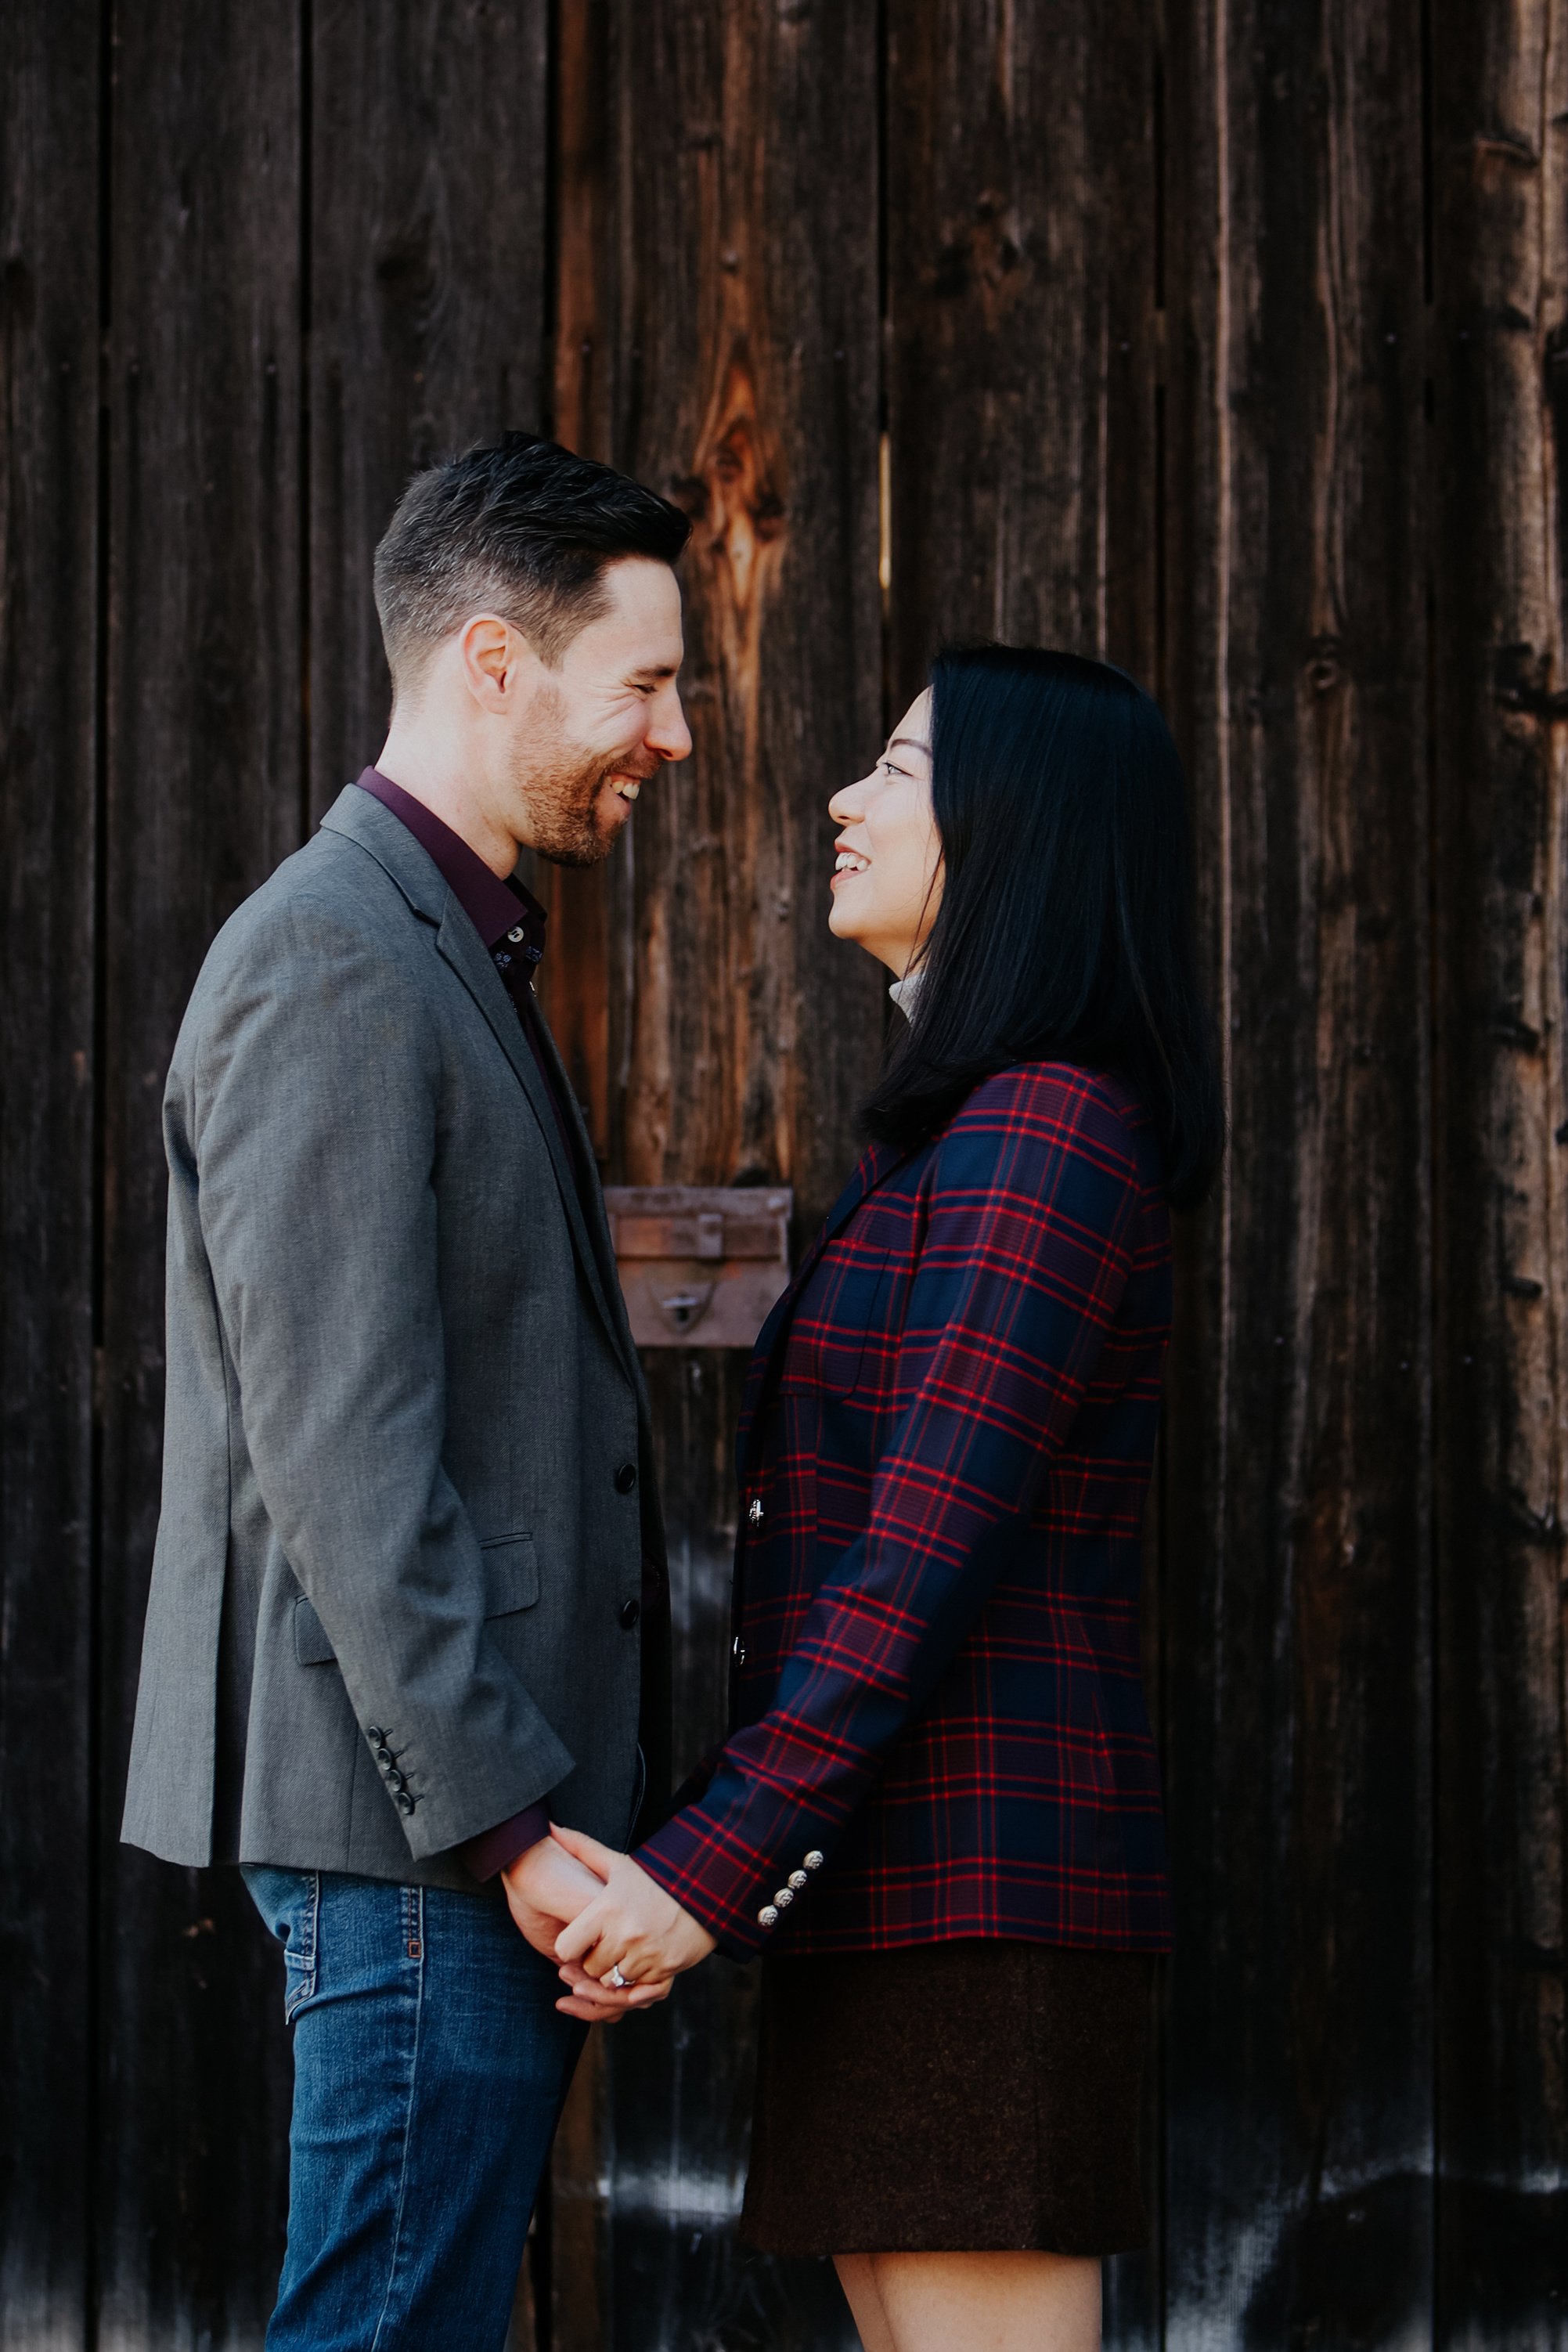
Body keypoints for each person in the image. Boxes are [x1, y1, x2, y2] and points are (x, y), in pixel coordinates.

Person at [544, 645, 1224, 2352]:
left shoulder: (1050, 1129)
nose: (844, 801)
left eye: (901, 770)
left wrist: (701, 1869)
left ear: (1019, 830)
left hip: (983, 1907)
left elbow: (913, 1557)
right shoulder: (956, 1137)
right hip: (889, 1891)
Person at [121, 431, 692, 2350]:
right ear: (494, 664)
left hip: (450, 1840)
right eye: (649, 682)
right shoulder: (335, 959)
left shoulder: (446, 938)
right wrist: (518, 1829)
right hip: (426, 1845)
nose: (673, 735)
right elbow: (348, 1458)